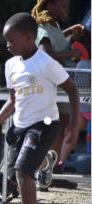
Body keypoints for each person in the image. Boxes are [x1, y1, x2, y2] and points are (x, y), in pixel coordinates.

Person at [0, 13, 79, 204]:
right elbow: (13, 100)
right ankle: (46, 162)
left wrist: (72, 124)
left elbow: (72, 90)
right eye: (6, 41)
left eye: (11, 40)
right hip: (19, 126)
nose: (7, 45)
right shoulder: (10, 65)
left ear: (28, 38)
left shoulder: (46, 63)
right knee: (17, 174)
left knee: (23, 171)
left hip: (44, 124)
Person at [31, 0, 88, 177]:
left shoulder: (54, 25)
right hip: (54, 84)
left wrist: (70, 31)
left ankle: (52, 168)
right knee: (56, 125)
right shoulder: (44, 27)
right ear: (50, 6)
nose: (66, 10)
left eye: (68, 7)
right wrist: (69, 54)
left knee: (62, 122)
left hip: (62, 81)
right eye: (62, 6)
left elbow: (57, 40)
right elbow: (44, 53)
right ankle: (45, 167)